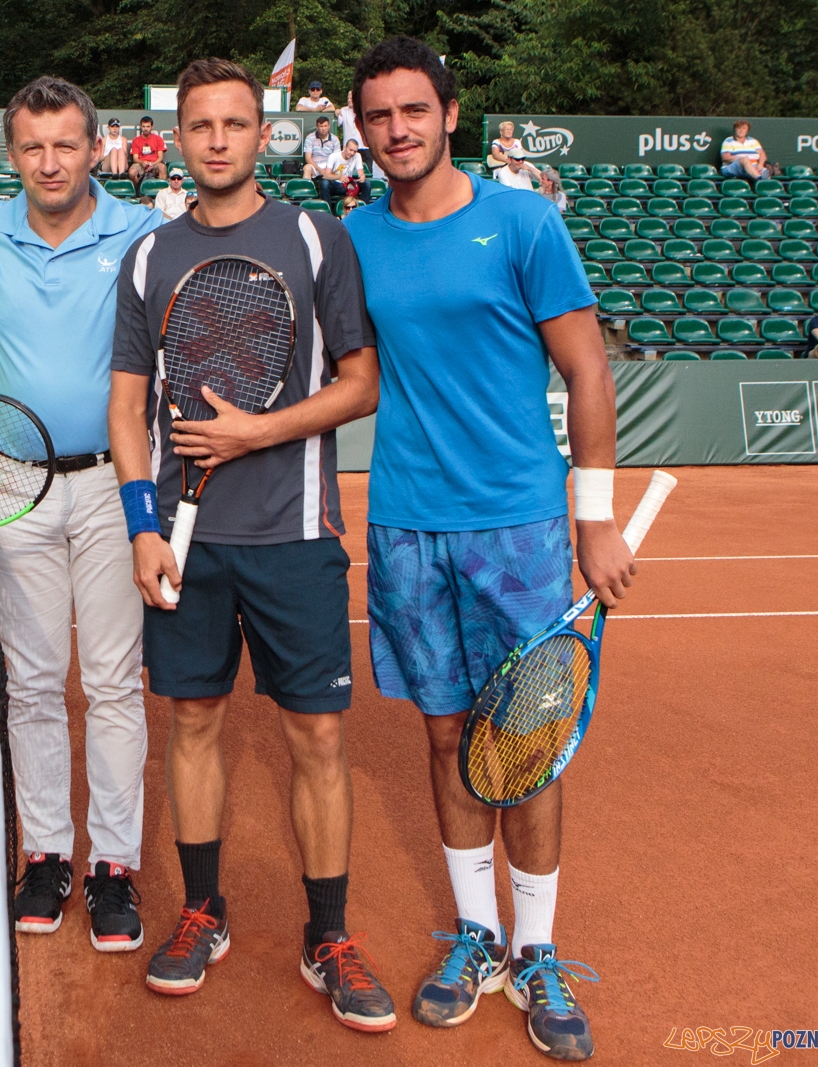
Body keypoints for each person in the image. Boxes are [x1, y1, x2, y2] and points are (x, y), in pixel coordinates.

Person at [343, 37, 629, 1062]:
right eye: (376, 116)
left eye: (412, 111)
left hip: (516, 526)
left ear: (449, 114)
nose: (396, 131)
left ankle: (537, 945)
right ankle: (473, 935)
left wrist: (592, 519)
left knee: (524, 741)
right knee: (442, 736)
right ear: (360, 129)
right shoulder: (353, 238)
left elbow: (588, 372)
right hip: (406, 524)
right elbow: (357, 378)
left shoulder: (523, 220)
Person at [108, 56, 392, 1028]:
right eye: (201, 126)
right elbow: (125, 403)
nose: (219, 140)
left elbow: (360, 382)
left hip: (294, 537)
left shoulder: (318, 240)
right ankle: (201, 909)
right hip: (185, 545)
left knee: (315, 735)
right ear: (178, 138)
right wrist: (141, 523)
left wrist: (251, 433)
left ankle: (329, 931)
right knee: (191, 726)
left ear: (263, 133)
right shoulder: (148, 257)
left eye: (236, 123)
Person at [0, 77, 165, 951]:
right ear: (11, 156)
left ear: (96, 148)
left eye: (65, 145)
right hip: (13, 479)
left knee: (115, 680)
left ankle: (113, 865)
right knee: (36, 680)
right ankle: (47, 851)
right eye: (32, 148)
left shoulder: (142, 233)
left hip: (113, 482)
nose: (50, 163)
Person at [303, 115, 341, 202]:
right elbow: (308, 158)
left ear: (329, 126)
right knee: (306, 168)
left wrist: (328, 169)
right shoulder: (310, 138)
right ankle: (307, 196)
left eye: (325, 126)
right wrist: (319, 169)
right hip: (315, 164)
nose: (323, 128)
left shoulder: (335, 139)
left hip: (330, 165)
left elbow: (336, 158)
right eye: (321, 126)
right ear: (317, 127)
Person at [338, 91, 370, 173]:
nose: (349, 100)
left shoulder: (365, 110)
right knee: (348, 172)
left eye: (351, 98)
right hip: (349, 148)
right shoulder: (343, 111)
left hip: (364, 147)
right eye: (348, 98)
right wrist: (336, 113)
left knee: (367, 172)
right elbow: (337, 123)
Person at [129, 116, 167, 183]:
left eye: (148, 126)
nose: (145, 129)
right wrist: (142, 162)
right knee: (132, 172)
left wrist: (153, 164)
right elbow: (135, 158)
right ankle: (138, 191)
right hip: (141, 163)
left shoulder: (158, 139)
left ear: (152, 126)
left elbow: (160, 157)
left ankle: (161, 191)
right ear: (141, 126)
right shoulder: (136, 140)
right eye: (143, 126)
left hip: (155, 163)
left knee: (162, 167)